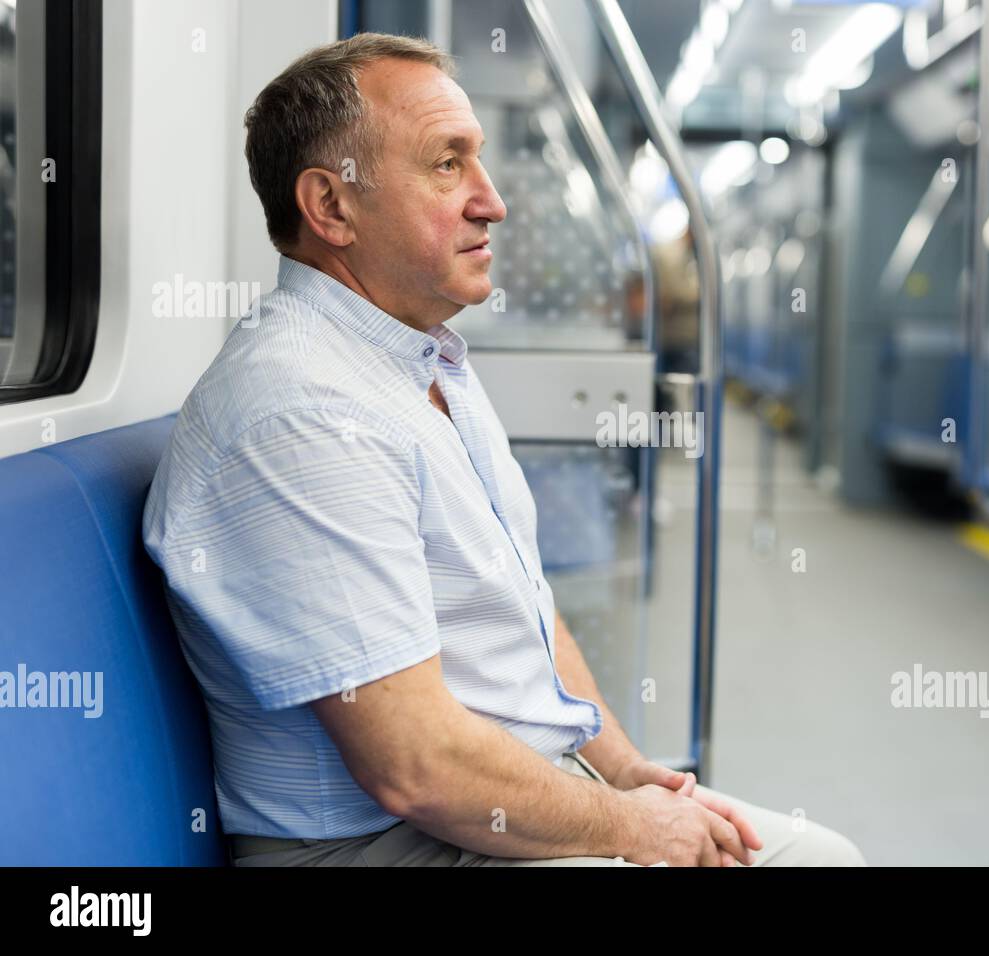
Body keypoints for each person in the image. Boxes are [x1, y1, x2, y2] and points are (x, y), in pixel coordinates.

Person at [143, 32, 865, 868]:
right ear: (331, 207)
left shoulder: (424, 354)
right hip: (381, 842)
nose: (493, 200)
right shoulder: (302, 411)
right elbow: (412, 766)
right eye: (447, 164)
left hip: (503, 791)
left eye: (477, 160)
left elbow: (525, 610)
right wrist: (630, 828)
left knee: (825, 858)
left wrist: (624, 769)